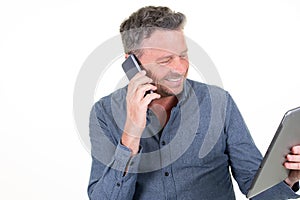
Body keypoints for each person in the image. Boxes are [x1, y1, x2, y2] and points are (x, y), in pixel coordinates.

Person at [87, 6, 300, 200]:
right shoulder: (104, 113)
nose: (180, 68)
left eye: (183, 55)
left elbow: (256, 188)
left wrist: (288, 179)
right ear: (131, 63)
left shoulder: (218, 103)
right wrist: (131, 135)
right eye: (165, 60)